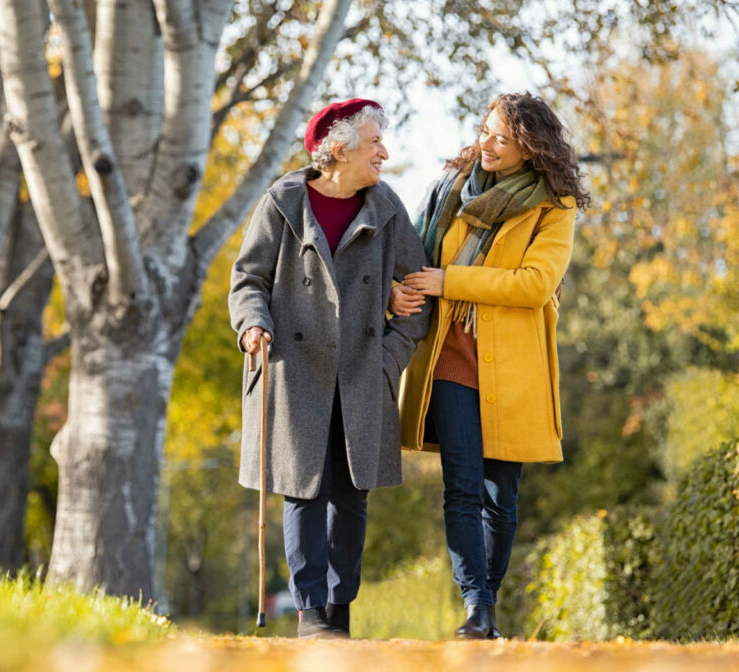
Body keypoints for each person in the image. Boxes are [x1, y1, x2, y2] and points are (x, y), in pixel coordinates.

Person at [229, 99, 432, 639]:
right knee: (304, 490)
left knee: (351, 494)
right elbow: (249, 279)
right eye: (374, 143)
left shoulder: (387, 207)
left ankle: (341, 610)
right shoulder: (283, 202)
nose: (384, 153)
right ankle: (311, 611)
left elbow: (418, 294)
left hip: (363, 372)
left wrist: (389, 359)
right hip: (295, 370)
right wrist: (252, 323)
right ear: (337, 151)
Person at [390, 92, 590, 639]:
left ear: (530, 149)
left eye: (502, 139)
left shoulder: (554, 206)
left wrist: (450, 281)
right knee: (462, 486)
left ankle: (488, 605)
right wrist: (397, 289)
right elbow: (411, 254)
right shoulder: (451, 189)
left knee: (501, 497)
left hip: (513, 370)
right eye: (485, 131)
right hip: (451, 357)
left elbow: (533, 284)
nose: (487, 145)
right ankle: (476, 608)